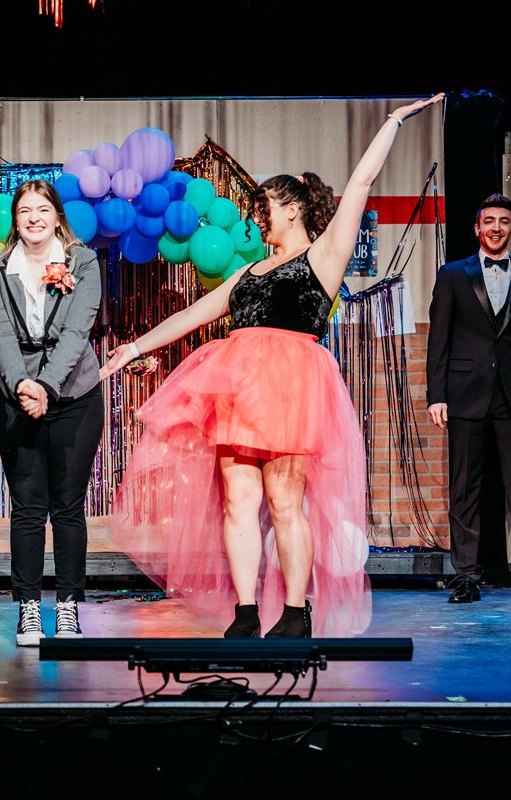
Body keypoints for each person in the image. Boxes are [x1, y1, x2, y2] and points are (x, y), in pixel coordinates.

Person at [103, 93, 445, 638]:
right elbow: (197, 312)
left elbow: (359, 185)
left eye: (264, 207)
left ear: (292, 208)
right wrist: (136, 347)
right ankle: (244, 613)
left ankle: (294, 612)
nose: (257, 217)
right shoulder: (250, 271)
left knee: (286, 502)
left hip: (289, 388)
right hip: (238, 390)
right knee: (238, 502)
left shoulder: (324, 257)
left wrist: (394, 120)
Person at [0, 180, 104, 647]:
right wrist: (23, 386)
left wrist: (47, 386)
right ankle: (29, 608)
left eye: (42, 209)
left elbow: (77, 330)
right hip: (18, 396)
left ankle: (68, 606)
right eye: (25, 210)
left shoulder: (83, 261)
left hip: (74, 395)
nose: (33, 217)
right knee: (28, 509)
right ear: (15, 220)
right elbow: (0, 335)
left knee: (68, 507)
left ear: (56, 216)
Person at [426, 194, 511, 606]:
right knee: (465, 490)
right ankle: (466, 576)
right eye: (489, 221)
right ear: (477, 228)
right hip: (465, 394)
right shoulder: (452, 275)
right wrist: (436, 394)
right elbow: (438, 339)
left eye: (504, 221)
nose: (496, 227)